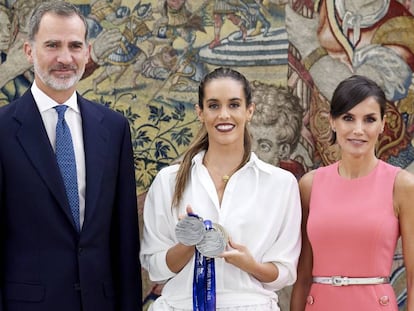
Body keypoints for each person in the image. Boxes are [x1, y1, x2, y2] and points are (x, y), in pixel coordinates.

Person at [0, 2, 142, 311]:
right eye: (52, 45)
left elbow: (124, 238)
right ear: (28, 50)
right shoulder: (2, 130)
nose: (65, 58)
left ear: (88, 51)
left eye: (75, 46)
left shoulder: (114, 128)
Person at [140, 67, 301, 310]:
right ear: (200, 112)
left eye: (234, 105)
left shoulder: (281, 184)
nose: (224, 114)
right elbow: (156, 270)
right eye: (214, 105)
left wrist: (250, 264)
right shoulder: (168, 181)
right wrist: (188, 243)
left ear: (249, 111)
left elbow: (284, 273)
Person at [290, 75, 414, 310]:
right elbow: (303, 275)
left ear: (382, 124)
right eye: (348, 118)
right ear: (333, 122)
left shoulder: (403, 186)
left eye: (369, 119)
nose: (358, 130)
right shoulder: (310, 185)